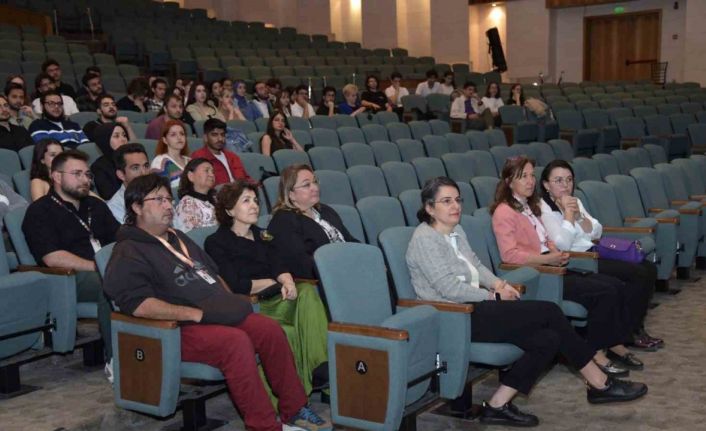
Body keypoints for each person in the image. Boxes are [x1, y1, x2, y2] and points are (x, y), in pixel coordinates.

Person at [406, 176, 648, 426]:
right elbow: (447, 288)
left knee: (548, 339)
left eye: (457, 200)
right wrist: (492, 295)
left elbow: (476, 265)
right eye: (446, 201)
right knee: (549, 312)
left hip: (475, 307)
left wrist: (499, 284)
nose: (455, 206)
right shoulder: (425, 239)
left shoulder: (456, 231)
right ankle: (598, 382)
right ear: (429, 208)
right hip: (453, 317)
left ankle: (497, 405)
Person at [102, 173, 330, 431]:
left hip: (216, 314)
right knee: (236, 342)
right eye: (159, 200)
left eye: (169, 199)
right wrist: (193, 314)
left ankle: (294, 409)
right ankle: (264, 426)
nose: (168, 205)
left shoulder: (178, 237)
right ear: (136, 207)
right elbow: (139, 305)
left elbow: (213, 274)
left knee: (269, 330)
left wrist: (228, 301)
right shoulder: (128, 251)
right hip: (179, 328)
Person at [490, 156, 645, 374]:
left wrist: (555, 252)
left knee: (614, 285)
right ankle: (597, 353)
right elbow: (510, 256)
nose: (530, 181)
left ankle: (612, 344)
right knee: (604, 291)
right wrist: (549, 259)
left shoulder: (529, 206)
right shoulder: (504, 211)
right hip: (539, 275)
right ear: (508, 181)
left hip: (554, 266)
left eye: (532, 175)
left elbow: (545, 240)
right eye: (523, 176)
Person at [205, 181, 328, 395]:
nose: (254, 205)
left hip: (279, 298)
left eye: (255, 200)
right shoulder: (217, 242)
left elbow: (278, 264)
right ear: (229, 210)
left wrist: (287, 281)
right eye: (246, 201)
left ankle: (319, 371)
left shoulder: (263, 234)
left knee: (308, 291)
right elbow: (236, 284)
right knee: (289, 329)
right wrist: (274, 283)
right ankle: (313, 378)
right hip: (255, 306)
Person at [539, 160, 663, 352]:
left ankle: (632, 329)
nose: (565, 185)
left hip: (593, 251)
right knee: (636, 274)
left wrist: (579, 215)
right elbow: (563, 245)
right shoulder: (543, 209)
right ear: (546, 185)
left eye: (569, 179)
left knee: (648, 268)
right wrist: (569, 216)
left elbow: (596, 230)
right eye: (558, 180)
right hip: (577, 260)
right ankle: (628, 334)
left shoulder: (574, 201)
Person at [23, 149, 119, 367]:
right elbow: (53, 258)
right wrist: (99, 267)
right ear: (57, 177)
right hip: (69, 277)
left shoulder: (95, 205)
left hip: (106, 269)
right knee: (114, 284)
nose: (85, 180)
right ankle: (117, 361)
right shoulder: (40, 211)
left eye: (87, 174)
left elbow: (120, 239)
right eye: (77, 174)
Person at [268, 164, 358, 279]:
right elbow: (301, 265)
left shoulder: (325, 210)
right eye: (306, 185)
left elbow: (349, 240)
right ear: (291, 194)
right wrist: (342, 268)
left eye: (315, 182)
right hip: (327, 278)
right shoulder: (284, 221)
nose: (315, 187)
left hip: (350, 268)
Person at [190, 118, 252, 186]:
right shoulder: (199, 157)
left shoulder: (233, 157)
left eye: (222, 135)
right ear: (205, 138)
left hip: (242, 191)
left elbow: (247, 179)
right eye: (214, 135)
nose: (220, 139)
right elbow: (201, 186)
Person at [107, 143, 150, 223]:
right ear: (121, 175)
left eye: (146, 166)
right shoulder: (115, 207)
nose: (144, 173)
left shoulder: (160, 193)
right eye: (135, 168)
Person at [174, 158, 217, 232]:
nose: (212, 175)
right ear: (191, 176)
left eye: (213, 172)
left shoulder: (217, 199)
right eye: (206, 170)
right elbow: (195, 234)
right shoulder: (187, 204)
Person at [91, 123, 129, 199]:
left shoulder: (132, 159)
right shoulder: (99, 167)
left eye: (124, 135)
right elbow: (109, 195)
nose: (123, 139)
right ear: (105, 140)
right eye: (116, 136)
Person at [151, 119, 191, 188]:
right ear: (165, 140)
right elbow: (159, 190)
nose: (179, 137)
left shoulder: (190, 161)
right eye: (173, 135)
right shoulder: (161, 161)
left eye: (182, 134)